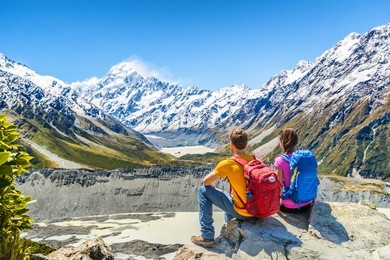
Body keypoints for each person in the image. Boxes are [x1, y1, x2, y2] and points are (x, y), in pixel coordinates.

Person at [191, 129, 254, 247]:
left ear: (231, 144)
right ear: (246, 144)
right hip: (258, 211)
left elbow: (206, 181)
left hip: (244, 213)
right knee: (230, 195)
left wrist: (211, 186)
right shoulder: (255, 160)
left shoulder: (228, 164)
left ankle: (207, 236)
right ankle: (230, 225)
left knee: (203, 191)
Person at [274, 128, 313, 213]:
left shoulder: (279, 161)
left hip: (289, 206)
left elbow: (277, 186)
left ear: (282, 143)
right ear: (296, 142)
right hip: (307, 204)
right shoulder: (304, 158)